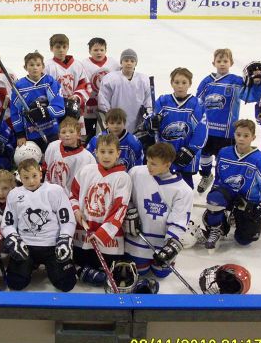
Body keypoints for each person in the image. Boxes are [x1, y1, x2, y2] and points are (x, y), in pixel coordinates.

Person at [1, 158, 77, 292]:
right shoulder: (14, 194)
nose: (31, 181)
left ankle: (50, 266)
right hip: (26, 246)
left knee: (66, 283)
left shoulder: (55, 191)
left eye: (34, 176)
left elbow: (67, 219)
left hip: (52, 245)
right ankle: (30, 264)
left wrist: (65, 238)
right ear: (20, 178)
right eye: (26, 177)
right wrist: (13, 238)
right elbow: (8, 223)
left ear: (40, 174)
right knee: (15, 283)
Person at [201, 120, 261, 249]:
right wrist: (215, 197)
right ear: (234, 134)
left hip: (247, 201)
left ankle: (236, 216)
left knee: (243, 240)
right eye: (238, 134)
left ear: (253, 137)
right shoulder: (224, 152)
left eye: (246, 135)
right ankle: (217, 227)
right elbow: (218, 177)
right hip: (228, 194)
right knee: (214, 199)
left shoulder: (260, 159)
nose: (241, 138)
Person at [69, 133, 131, 286]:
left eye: (110, 152)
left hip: (108, 239)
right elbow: (73, 195)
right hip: (83, 233)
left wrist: (101, 234)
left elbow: (119, 209)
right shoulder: (86, 171)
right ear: (96, 152)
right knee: (80, 264)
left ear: (118, 153)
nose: (106, 156)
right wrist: (76, 210)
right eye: (102, 151)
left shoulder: (123, 177)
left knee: (111, 272)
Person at [124, 143, 193, 277]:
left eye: (154, 164)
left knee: (161, 273)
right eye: (148, 161)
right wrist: (130, 211)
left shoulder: (183, 190)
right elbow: (125, 197)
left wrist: (170, 247)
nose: (148, 166)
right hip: (137, 239)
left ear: (167, 164)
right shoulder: (136, 172)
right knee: (139, 273)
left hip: (162, 243)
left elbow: (179, 219)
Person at [196, 48, 256, 193]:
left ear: (231, 63)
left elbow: (249, 97)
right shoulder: (207, 81)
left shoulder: (237, 81)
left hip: (227, 131)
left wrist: (254, 83)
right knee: (204, 154)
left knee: (223, 158)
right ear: (214, 63)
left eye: (225, 61)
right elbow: (198, 102)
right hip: (207, 129)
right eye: (219, 61)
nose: (222, 64)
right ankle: (206, 176)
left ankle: (220, 182)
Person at [146, 67, 208, 188]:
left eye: (184, 82)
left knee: (185, 188)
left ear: (190, 84)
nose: (180, 86)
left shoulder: (197, 104)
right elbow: (150, 123)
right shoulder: (163, 101)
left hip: (186, 154)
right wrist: (151, 122)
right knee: (160, 187)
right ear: (172, 83)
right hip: (164, 153)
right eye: (177, 82)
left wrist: (191, 150)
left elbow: (202, 131)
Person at [11, 51, 65, 152]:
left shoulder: (50, 82)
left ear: (43, 66)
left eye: (38, 65)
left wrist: (42, 112)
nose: (35, 68)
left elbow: (59, 108)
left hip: (52, 130)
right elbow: (15, 112)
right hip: (31, 133)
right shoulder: (19, 87)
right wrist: (20, 134)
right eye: (31, 65)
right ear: (25, 67)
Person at [98, 49, 151, 133]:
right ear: (121, 62)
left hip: (137, 122)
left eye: (132, 61)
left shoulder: (144, 80)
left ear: (136, 63)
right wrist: (109, 117)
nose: (129, 63)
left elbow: (148, 101)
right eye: (126, 60)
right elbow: (103, 100)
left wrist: (148, 114)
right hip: (115, 121)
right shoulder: (110, 79)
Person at [44, 34, 90, 129]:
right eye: (58, 47)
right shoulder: (47, 67)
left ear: (68, 47)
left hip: (74, 107)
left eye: (64, 47)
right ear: (51, 48)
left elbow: (86, 85)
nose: (61, 50)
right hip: (55, 108)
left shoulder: (77, 65)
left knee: (75, 134)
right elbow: (43, 88)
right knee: (58, 134)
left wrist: (77, 96)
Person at [44, 116, 95, 196]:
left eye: (71, 132)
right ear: (59, 136)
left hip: (70, 199)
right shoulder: (53, 146)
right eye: (63, 132)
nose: (67, 135)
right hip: (48, 194)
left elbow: (89, 182)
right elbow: (45, 166)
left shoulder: (87, 157)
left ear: (78, 135)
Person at [80, 37, 120, 137]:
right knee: (89, 132)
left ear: (106, 50)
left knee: (105, 132)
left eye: (102, 50)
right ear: (90, 51)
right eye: (95, 50)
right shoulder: (83, 64)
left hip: (107, 105)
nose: (99, 53)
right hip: (89, 106)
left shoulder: (113, 63)